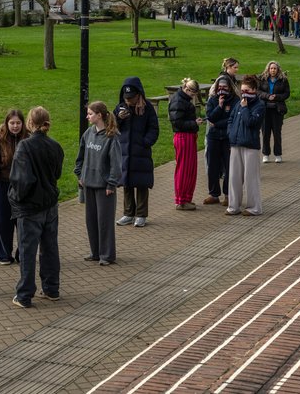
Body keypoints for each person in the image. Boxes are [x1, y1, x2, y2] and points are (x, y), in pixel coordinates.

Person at [8, 107, 65, 308]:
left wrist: (15, 198)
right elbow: (57, 174)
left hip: (30, 207)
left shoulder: (25, 147)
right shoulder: (55, 146)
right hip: (49, 204)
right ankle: (51, 288)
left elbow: (20, 180)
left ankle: (24, 294)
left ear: (30, 123)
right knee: (50, 248)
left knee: (27, 251)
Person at [75, 101, 122, 266]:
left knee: (105, 222)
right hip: (89, 184)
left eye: (90, 114)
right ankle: (95, 253)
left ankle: (107, 255)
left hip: (104, 187)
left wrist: (111, 184)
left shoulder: (111, 137)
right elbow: (80, 156)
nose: (87, 116)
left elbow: (116, 164)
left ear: (99, 115)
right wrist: (80, 174)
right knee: (91, 220)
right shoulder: (88, 133)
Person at [0, 109, 28, 265]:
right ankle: (3, 254)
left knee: (23, 220)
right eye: (12, 123)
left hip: (23, 185)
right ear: (6, 123)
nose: (15, 126)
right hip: (3, 184)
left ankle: (23, 253)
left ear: (23, 124)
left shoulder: (27, 138)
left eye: (18, 123)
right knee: (3, 219)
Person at [114, 78, 159, 228]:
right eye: (127, 98)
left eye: (132, 98)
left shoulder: (147, 109)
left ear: (139, 95)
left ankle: (141, 214)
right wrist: (118, 119)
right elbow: (111, 126)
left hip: (141, 153)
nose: (129, 101)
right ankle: (128, 213)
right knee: (126, 183)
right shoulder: (120, 108)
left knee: (141, 184)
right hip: (124, 153)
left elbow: (154, 128)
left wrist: (145, 142)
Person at [226, 75, 266, 216]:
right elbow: (231, 119)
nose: (244, 93)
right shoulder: (239, 103)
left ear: (254, 90)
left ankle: (254, 207)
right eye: (242, 90)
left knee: (251, 178)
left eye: (247, 90)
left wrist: (244, 108)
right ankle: (233, 206)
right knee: (234, 177)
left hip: (250, 145)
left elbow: (251, 122)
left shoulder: (259, 106)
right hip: (236, 143)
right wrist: (230, 133)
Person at [168, 78, 204, 210]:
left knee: (190, 169)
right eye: (193, 94)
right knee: (184, 169)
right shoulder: (178, 101)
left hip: (187, 136)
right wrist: (194, 123)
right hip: (183, 137)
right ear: (187, 89)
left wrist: (194, 121)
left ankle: (186, 198)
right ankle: (181, 200)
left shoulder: (182, 99)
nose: (193, 96)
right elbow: (177, 123)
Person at [204, 75, 238, 206]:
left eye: (225, 87)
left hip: (227, 138)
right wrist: (219, 106)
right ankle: (213, 194)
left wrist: (218, 124)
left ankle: (228, 195)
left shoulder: (235, 100)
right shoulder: (213, 99)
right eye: (220, 87)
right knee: (212, 166)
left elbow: (232, 119)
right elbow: (210, 117)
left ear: (229, 88)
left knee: (229, 167)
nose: (222, 89)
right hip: (213, 137)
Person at [258, 61, 290, 163]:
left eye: (275, 68)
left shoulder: (283, 80)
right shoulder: (262, 79)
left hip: (277, 108)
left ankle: (278, 154)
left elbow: (287, 93)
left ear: (278, 69)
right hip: (265, 108)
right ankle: (266, 154)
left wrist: (277, 97)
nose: (273, 70)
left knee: (277, 132)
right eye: (271, 68)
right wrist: (267, 96)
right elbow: (258, 92)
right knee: (265, 133)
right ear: (268, 69)